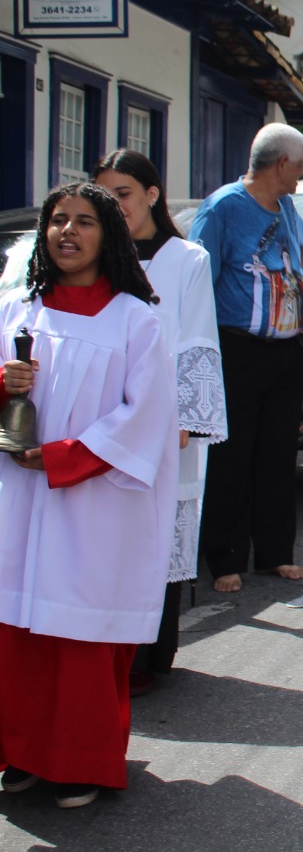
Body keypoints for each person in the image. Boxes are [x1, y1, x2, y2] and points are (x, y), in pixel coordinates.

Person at [0, 182, 178, 808]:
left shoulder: (135, 319)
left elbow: (145, 419)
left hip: (95, 501)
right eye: (57, 221)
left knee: (80, 633)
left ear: (109, 235)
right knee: (18, 626)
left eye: (83, 222)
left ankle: (82, 762)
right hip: (19, 499)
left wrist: (61, 457)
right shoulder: (21, 308)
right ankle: (20, 751)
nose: (67, 232)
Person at [92, 151, 225, 696]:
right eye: (105, 196)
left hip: (165, 420)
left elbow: (196, 334)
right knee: (107, 537)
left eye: (122, 193)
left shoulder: (184, 257)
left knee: (155, 534)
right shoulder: (95, 256)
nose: (114, 206)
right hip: (103, 417)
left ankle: (149, 652)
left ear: (151, 195)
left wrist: (188, 417)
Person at [190, 124, 303, 592]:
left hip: (284, 351)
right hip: (235, 349)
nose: (302, 174)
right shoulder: (222, 207)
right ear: (281, 164)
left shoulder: (288, 208)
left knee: (279, 455)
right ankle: (224, 558)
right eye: (300, 165)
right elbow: (198, 279)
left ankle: (275, 553)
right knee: (231, 457)